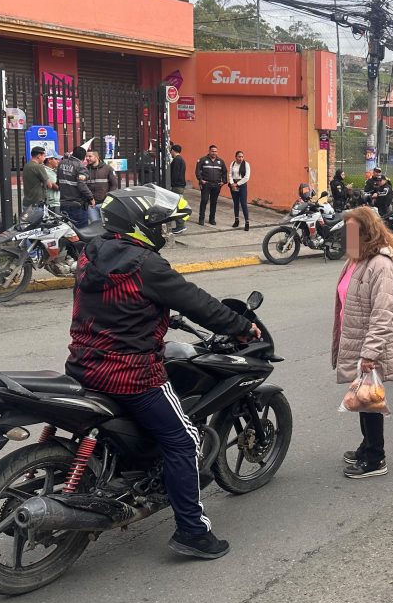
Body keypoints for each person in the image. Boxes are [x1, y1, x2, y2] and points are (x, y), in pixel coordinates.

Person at [66, 184, 261, 558]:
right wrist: (240, 326)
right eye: (162, 226)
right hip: (130, 374)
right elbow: (200, 304)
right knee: (185, 439)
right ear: (142, 224)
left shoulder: (92, 253)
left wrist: (156, 314)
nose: (165, 233)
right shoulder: (147, 266)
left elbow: (112, 304)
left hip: (82, 363)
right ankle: (192, 532)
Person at [331, 206, 393, 479]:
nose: (347, 236)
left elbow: (383, 313)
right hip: (358, 339)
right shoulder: (357, 258)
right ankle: (367, 447)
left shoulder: (381, 265)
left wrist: (370, 353)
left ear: (367, 232)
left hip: (370, 345)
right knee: (362, 399)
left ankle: (376, 458)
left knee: (370, 399)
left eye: (353, 231)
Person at [57, 146, 94, 228]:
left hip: (63, 203)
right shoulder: (81, 167)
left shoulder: (61, 163)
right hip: (77, 205)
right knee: (81, 230)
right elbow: (81, 185)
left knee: (67, 230)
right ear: (83, 157)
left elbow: (58, 181)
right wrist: (91, 198)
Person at [195, 144, 226, 226]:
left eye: (215, 151)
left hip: (216, 185)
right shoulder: (202, 160)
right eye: (212, 151)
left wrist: (224, 181)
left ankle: (212, 219)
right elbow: (197, 171)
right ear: (209, 151)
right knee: (204, 201)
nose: (214, 153)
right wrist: (201, 180)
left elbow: (224, 172)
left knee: (214, 202)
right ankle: (201, 219)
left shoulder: (221, 161)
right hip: (206, 184)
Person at [85, 150, 119, 222]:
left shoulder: (108, 168)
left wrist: (108, 198)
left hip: (104, 204)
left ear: (97, 157)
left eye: (90, 156)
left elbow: (114, 184)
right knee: (95, 226)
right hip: (91, 206)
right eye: (86, 156)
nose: (87, 158)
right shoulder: (85, 170)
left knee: (106, 226)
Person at [229, 150, 251, 231]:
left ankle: (247, 222)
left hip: (242, 185)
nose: (241, 158)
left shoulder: (246, 164)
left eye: (242, 156)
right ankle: (236, 220)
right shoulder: (233, 163)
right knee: (236, 203)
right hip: (233, 184)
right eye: (239, 156)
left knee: (243, 203)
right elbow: (230, 174)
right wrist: (232, 183)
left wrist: (237, 184)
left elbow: (247, 177)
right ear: (236, 157)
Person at [170, 144, 187, 234]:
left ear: (173, 150)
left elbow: (175, 174)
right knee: (178, 205)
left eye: (171, 151)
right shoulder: (181, 159)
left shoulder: (177, 160)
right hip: (180, 186)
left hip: (177, 186)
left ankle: (180, 225)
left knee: (177, 206)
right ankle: (180, 225)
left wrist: (172, 184)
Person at [43, 149, 62, 214]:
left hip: (57, 202)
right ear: (49, 160)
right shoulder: (46, 171)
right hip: (53, 203)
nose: (58, 161)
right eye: (56, 159)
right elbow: (56, 187)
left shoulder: (53, 170)